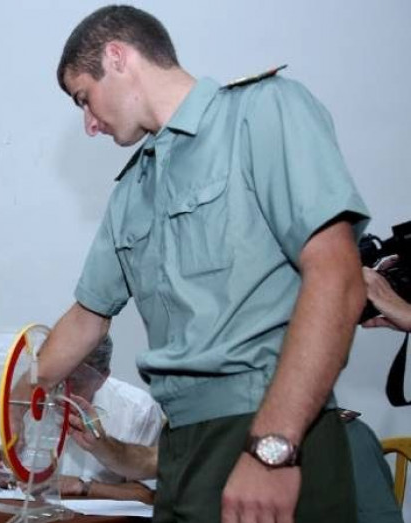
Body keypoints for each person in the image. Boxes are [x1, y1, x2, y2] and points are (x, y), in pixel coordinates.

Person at [35, 5, 370, 522]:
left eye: (85, 98)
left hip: (268, 425)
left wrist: (273, 448)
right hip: (180, 448)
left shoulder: (261, 111)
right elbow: (86, 318)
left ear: (117, 57)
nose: (90, 124)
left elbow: (337, 276)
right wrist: (9, 400)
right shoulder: (132, 190)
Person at [58, 335, 163, 503]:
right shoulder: (27, 398)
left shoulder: (138, 409)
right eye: (55, 376)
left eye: (74, 381)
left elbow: (146, 495)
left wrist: (82, 487)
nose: (60, 390)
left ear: (101, 378)